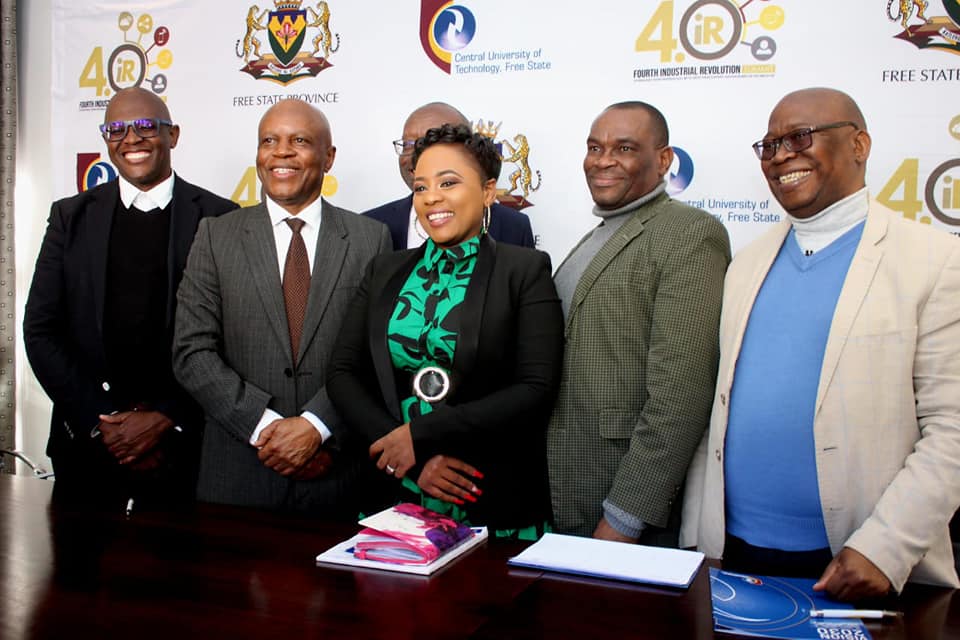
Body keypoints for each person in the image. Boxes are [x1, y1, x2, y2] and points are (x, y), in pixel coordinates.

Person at [681, 87, 960, 600]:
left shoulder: (935, 260)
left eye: (800, 137)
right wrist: (701, 535)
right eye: (770, 145)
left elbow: (952, 429)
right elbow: (716, 414)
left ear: (859, 145)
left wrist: (885, 546)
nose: (780, 155)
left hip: (858, 561)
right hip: (734, 554)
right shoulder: (746, 263)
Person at [328, 123, 563, 536]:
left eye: (448, 183)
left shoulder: (524, 270)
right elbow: (342, 372)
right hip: (394, 490)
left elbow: (536, 388)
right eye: (421, 187)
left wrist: (419, 434)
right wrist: (405, 455)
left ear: (488, 191)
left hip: (487, 493)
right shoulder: (384, 270)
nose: (431, 197)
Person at [172, 99, 392, 513]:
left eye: (300, 141)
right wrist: (268, 430)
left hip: (338, 477)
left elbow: (376, 354)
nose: (282, 152)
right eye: (269, 141)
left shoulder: (370, 238)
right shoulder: (216, 236)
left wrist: (316, 427)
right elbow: (192, 352)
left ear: (329, 157)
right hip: (239, 476)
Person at [23, 87, 236, 510]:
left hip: (186, 449)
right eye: (117, 129)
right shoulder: (70, 216)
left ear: (172, 135)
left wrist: (167, 417)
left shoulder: (220, 216)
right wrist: (101, 422)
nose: (131, 139)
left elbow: (234, 336)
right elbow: (41, 330)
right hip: (88, 445)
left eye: (145, 126)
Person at [548, 102, 731, 546]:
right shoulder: (597, 235)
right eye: (595, 147)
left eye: (624, 148)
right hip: (565, 487)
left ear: (664, 160)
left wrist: (627, 515)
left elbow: (682, 390)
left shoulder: (689, 232)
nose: (603, 161)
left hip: (622, 501)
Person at [363, 102, 535, 250]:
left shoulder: (514, 227)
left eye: (434, 141)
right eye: (408, 144)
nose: (418, 156)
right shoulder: (371, 227)